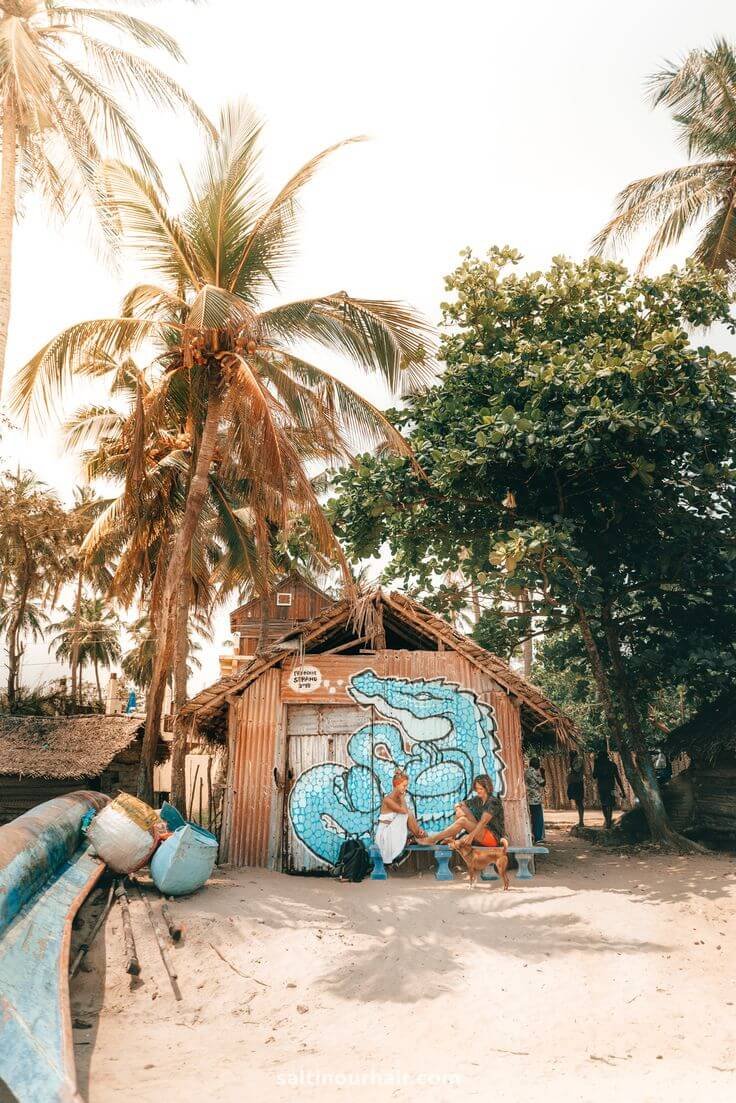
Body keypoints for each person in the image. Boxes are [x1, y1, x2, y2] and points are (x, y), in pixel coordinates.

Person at [423, 774, 506, 848]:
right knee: (462, 808)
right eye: (477, 788)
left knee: (463, 821)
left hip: (493, 838)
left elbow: (483, 822)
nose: (478, 791)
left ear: (487, 788)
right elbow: (460, 804)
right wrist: (458, 809)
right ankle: (452, 838)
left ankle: (432, 839)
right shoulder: (478, 799)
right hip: (481, 832)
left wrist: (471, 836)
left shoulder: (493, 802)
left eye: (481, 789)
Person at [374, 771, 427, 864]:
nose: (406, 789)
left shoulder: (399, 801)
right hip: (385, 836)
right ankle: (419, 835)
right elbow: (405, 812)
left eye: (406, 786)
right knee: (408, 813)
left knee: (410, 817)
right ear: (396, 785)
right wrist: (402, 797)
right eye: (404, 786)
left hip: (394, 833)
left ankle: (418, 834)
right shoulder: (387, 800)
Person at [593, 750, 626, 829]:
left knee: (605, 804)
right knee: (609, 804)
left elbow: (594, 776)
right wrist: (622, 790)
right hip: (610, 787)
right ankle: (608, 821)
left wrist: (596, 765)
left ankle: (608, 821)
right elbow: (618, 778)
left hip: (603, 787)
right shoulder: (612, 765)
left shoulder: (599, 765)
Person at [525, 756, 546, 844]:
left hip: (529, 798)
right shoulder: (534, 772)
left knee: (532, 818)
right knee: (538, 818)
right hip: (535, 799)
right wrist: (543, 773)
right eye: (538, 763)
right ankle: (538, 838)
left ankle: (533, 836)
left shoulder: (526, 771)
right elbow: (542, 783)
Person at [566, 752, 585, 827]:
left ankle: (581, 821)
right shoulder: (574, 761)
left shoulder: (579, 760)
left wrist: (571, 763)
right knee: (578, 802)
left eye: (571, 756)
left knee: (579, 801)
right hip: (573, 783)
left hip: (578, 783)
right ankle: (581, 821)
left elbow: (576, 770)